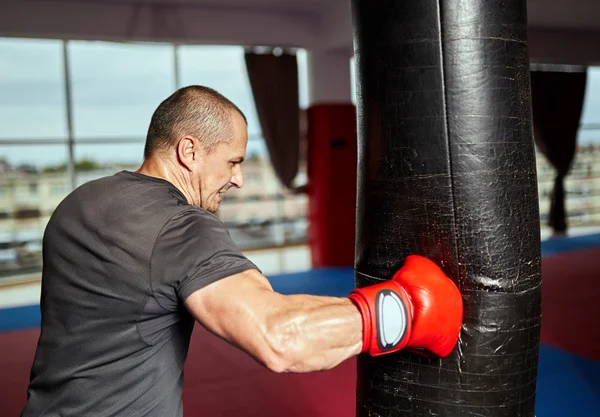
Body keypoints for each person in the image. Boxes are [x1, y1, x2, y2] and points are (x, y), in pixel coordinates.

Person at [22, 85, 463, 417]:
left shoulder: (79, 203)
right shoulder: (181, 227)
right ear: (189, 151)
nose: (239, 179)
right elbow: (281, 339)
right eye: (233, 161)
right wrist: (402, 311)